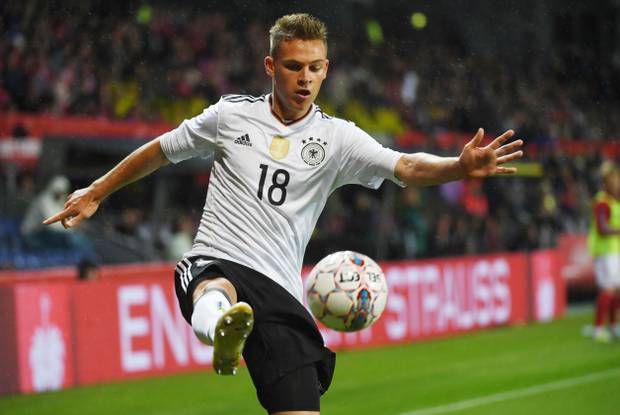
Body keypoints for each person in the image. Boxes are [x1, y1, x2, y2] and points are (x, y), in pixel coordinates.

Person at [43, 14, 523, 415]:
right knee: (209, 283)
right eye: (293, 67)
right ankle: (220, 328)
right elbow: (161, 150)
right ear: (271, 66)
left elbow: (405, 167)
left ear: (326, 69)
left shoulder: (338, 138)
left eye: (314, 68)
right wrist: (97, 191)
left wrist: (458, 167)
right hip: (220, 257)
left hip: (280, 291)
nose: (305, 78)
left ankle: (225, 327)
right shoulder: (230, 116)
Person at [587, 161, 620, 343]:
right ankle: (598, 329)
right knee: (608, 289)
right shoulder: (602, 202)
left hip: (614, 251)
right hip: (605, 251)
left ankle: (614, 327)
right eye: (613, 182)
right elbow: (602, 228)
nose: (617, 185)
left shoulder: (614, 202)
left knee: (616, 290)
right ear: (606, 184)